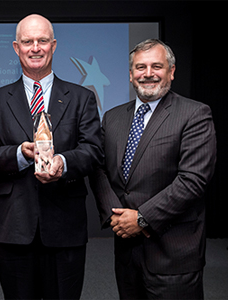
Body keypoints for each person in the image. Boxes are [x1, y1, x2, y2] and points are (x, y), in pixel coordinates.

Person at [0, 14, 103, 299]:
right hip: (15, 229)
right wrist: (20, 153)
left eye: (42, 41)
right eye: (28, 41)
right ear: (15, 47)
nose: (35, 48)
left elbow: (94, 151)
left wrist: (63, 162)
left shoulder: (82, 97)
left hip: (65, 228)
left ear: (54, 45)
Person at [90, 39, 217, 299]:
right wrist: (114, 214)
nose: (148, 74)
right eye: (140, 67)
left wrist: (141, 218)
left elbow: (193, 180)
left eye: (156, 66)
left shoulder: (195, 114)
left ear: (171, 71)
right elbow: (98, 167)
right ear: (130, 75)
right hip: (126, 252)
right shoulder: (112, 117)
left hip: (173, 254)